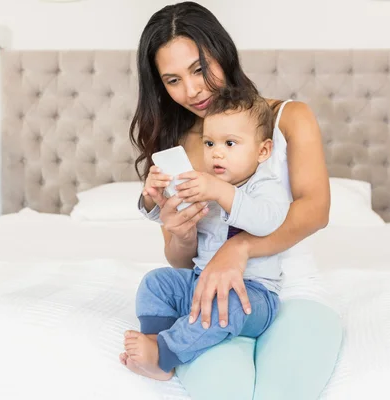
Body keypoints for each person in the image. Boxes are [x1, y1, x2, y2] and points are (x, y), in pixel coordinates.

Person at [123, 2, 343, 399]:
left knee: (283, 391)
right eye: (172, 80)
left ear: (222, 53)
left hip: (291, 291)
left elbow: (315, 212)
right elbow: (179, 260)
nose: (191, 90)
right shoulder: (180, 147)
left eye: (199, 69)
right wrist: (180, 233)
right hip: (208, 296)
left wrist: (239, 248)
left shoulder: (288, 117)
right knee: (224, 390)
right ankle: (163, 350)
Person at [122, 89, 290, 380]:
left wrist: (220, 192)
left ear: (263, 151)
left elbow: (266, 222)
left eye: (230, 143)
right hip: (200, 282)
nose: (217, 152)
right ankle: (155, 337)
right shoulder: (209, 183)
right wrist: (156, 196)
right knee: (157, 281)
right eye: (210, 143)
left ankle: (165, 355)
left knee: (229, 306)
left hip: (253, 294)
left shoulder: (266, 187)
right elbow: (174, 212)